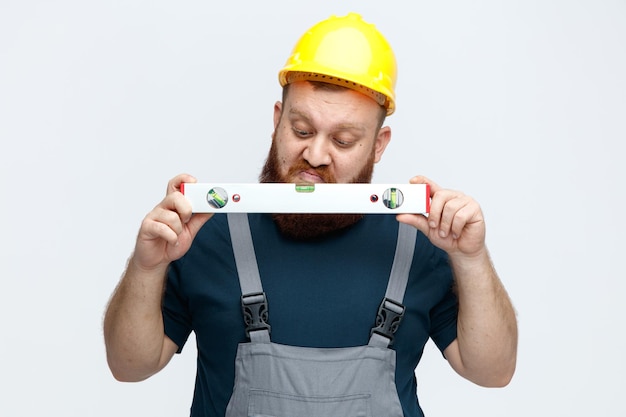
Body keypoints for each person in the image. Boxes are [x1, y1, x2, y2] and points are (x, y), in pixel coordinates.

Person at [103, 12, 517, 417]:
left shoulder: (419, 240)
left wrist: (470, 258)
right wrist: (146, 267)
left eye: (343, 139)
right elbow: (129, 366)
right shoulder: (204, 233)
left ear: (378, 145)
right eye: (301, 130)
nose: (315, 155)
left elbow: (494, 373)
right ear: (277, 119)